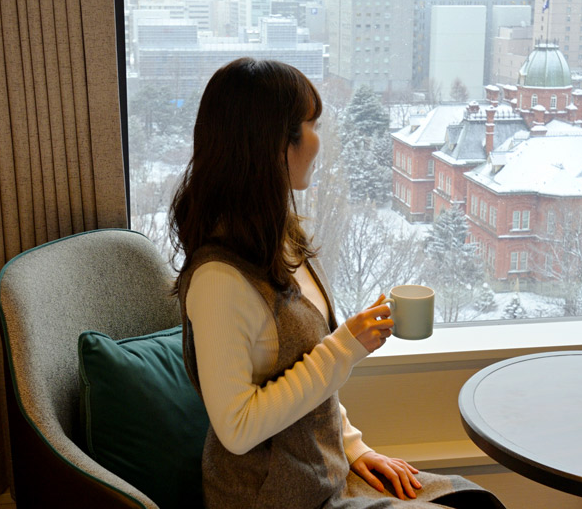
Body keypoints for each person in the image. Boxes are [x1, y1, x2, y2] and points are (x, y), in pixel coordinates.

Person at [170, 58, 505, 509]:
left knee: (476, 501)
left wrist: (354, 448)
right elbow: (237, 428)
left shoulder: (280, 239)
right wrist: (345, 347)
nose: (319, 140)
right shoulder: (219, 281)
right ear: (275, 142)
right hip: (275, 499)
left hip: (325, 474)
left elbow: (307, 382)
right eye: (312, 125)